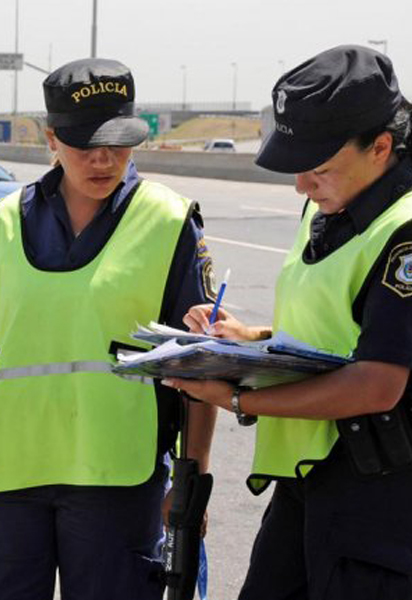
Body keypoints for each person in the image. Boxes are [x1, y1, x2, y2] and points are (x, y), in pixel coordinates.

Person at [0, 58, 218, 600]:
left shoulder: (169, 222)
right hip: (6, 474)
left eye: (119, 142)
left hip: (117, 478)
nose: (103, 159)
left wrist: (192, 478)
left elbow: (196, 360)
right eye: (85, 143)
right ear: (51, 137)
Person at [163, 45, 412, 599]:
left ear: (381, 148)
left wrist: (237, 400)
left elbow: (378, 381)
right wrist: (248, 337)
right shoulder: (329, 204)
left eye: (319, 169)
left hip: (381, 502)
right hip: (308, 481)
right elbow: (338, 329)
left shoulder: (405, 231)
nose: (302, 186)